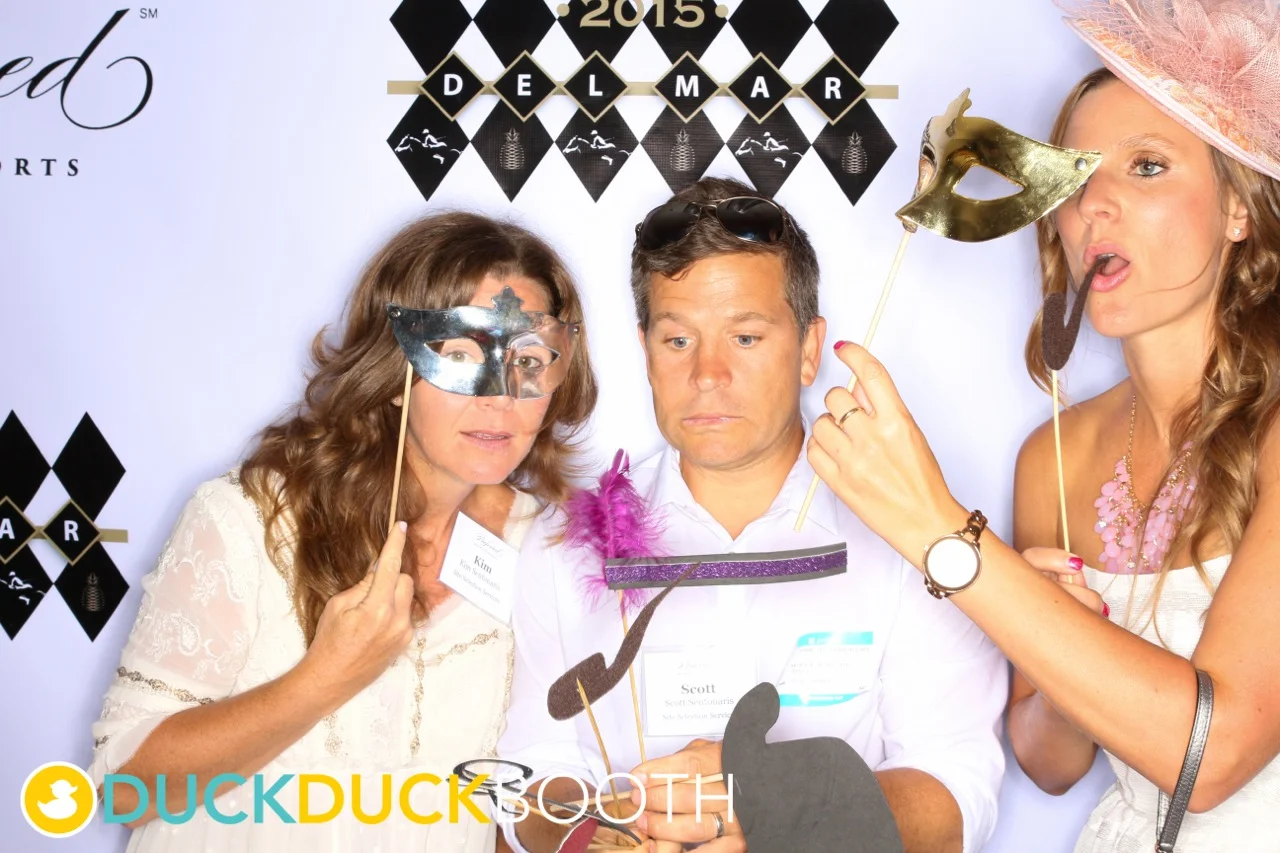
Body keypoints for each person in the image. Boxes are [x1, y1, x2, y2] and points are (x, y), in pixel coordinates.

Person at [807, 2, 1280, 850]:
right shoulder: (1055, 454)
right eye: (1074, 176)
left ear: (1238, 208)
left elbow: (1212, 758)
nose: (1095, 205)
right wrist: (1058, 637)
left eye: (1146, 166)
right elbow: (1048, 760)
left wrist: (939, 531)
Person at [498, 177, 1007, 853]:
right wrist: (600, 828)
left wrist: (796, 805)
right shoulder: (566, 543)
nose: (708, 373)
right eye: (678, 340)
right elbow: (532, 776)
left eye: (744, 336)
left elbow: (958, 791)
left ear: (808, 350)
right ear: (645, 350)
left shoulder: (915, 535)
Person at [89, 212, 598, 852]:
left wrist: (594, 823)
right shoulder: (253, 520)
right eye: (460, 356)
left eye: (527, 359)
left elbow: (509, 803)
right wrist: (323, 678)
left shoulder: (545, 547)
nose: (500, 397)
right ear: (393, 374)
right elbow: (123, 788)